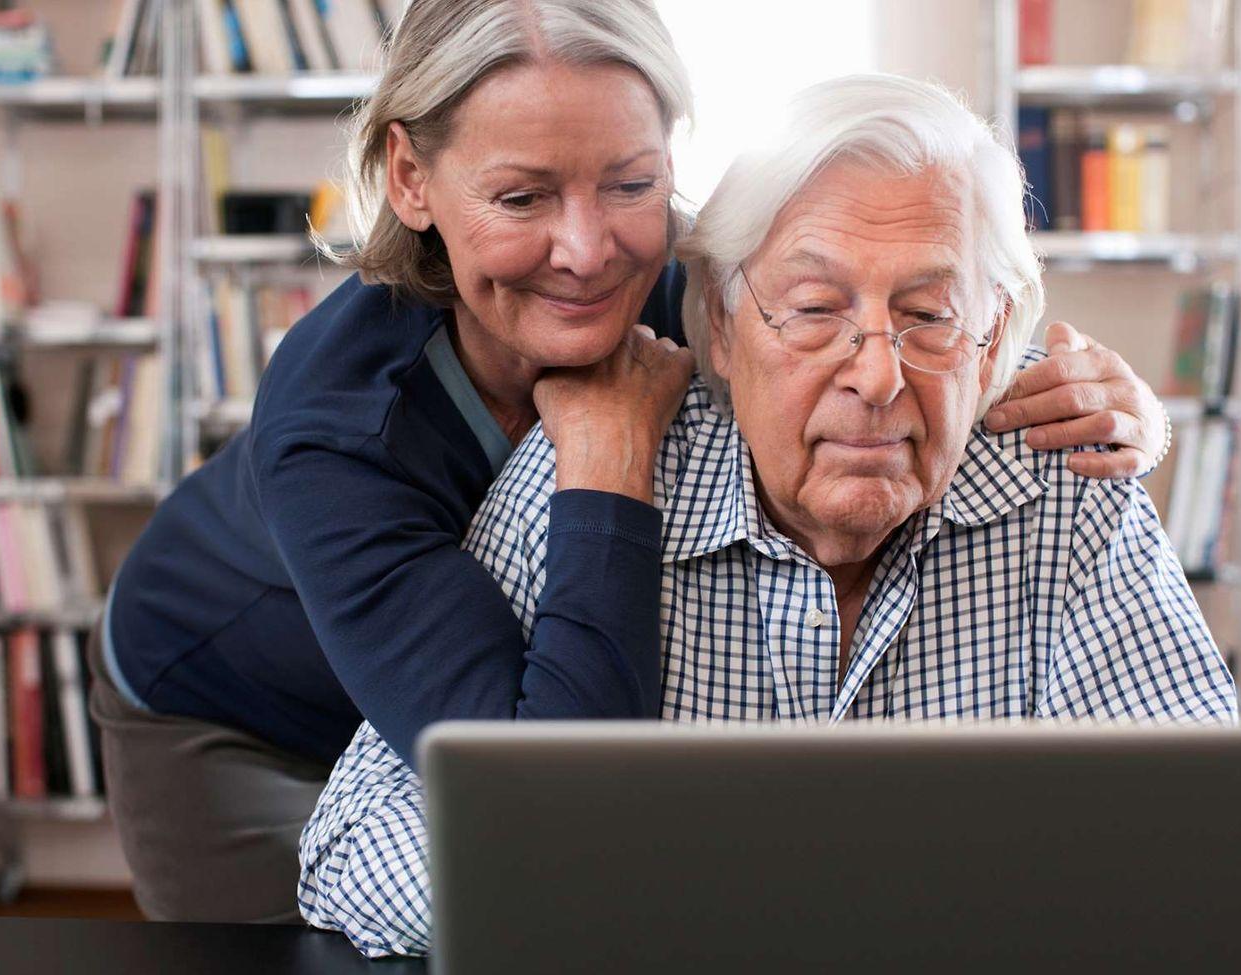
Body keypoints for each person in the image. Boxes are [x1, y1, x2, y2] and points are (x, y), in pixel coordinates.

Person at [89, 1, 1174, 923]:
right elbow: (547, 796)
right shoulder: (338, 427)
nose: (589, 248)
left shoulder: (693, 274)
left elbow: (896, 308)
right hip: (240, 712)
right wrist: (607, 461)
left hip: (490, 710)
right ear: (410, 178)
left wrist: (1122, 412)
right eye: (522, 197)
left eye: (630, 182)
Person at [297, 72, 1236, 957]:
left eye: (931, 313)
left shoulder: (1061, 478)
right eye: (815, 310)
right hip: (217, 678)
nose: (876, 375)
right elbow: (353, 859)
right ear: (720, 328)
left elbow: (1208, 842)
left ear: (993, 341)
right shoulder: (588, 468)